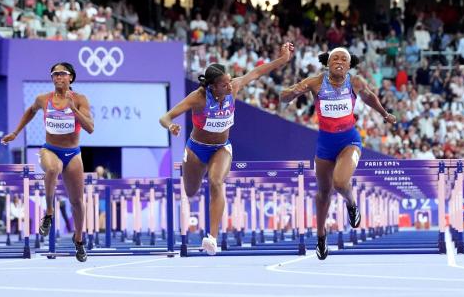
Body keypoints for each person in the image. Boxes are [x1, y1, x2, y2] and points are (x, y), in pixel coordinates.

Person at [159, 42, 295, 255]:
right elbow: (165, 117)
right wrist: (171, 126)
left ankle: (212, 237)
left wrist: (283, 59)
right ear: (213, 86)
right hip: (196, 149)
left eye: (230, 81)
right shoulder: (199, 98)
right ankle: (195, 184)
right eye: (224, 84)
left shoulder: (234, 87)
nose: (230, 86)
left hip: (221, 147)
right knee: (191, 191)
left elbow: (257, 72)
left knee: (216, 181)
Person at [280, 48, 396, 259]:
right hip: (325, 144)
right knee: (323, 193)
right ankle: (321, 238)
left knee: (341, 183)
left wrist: (385, 114)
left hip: (349, 141)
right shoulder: (315, 82)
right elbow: (283, 97)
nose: (339, 61)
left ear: (350, 66)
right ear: (328, 63)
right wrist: (293, 92)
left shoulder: (355, 82)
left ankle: (352, 205)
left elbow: (369, 98)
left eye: (344, 59)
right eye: (335, 58)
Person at [2, 62, 94, 262]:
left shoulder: (79, 99)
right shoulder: (44, 99)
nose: (58, 77)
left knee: (77, 202)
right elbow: (30, 111)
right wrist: (16, 132)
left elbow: (90, 128)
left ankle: (78, 239)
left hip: (73, 153)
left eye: (62, 74)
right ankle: (50, 212)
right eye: (55, 74)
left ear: (71, 77)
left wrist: (74, 110)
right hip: (50, 149)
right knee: (52, 168)